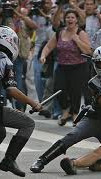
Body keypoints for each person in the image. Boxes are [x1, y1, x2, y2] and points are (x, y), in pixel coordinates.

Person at [30, 45, 101, 173]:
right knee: (72, 136)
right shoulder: (93, 82)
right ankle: (42, 160)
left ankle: (76, 162)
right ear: (96, 64)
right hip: (94, 120)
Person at [0, 26, 42, 177]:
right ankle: (9, 160)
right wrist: (33, 103)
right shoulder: (4, 59)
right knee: (28, 123)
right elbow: (11, 90)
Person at [39, 9, 91, 126]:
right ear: (64, 20)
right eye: (68, 17)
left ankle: (74, 115)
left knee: (75, 92)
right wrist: (43, 56)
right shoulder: (59, 32)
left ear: (77, 20)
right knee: (59, 89)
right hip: (62, 66)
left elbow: (88, 51)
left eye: (72, 17)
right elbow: (48, 47)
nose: (70, 20)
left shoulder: (81, 33)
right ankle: (66, 110)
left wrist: (77, 40)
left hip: (78, 67)